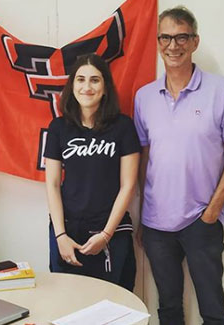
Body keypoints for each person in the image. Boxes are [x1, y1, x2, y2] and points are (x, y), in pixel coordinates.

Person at [134, 6, 224, 325]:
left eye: (182, 37)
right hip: (157, 225)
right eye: (166, 37)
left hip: (202, 220)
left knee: (212, 308)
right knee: (168, 307)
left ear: (195, 41)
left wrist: (212, 211)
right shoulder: (144, 98)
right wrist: (144, 215)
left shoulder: (222, 91)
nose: (174, 45)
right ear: (158, 43)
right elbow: (145, 161)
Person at [44, 54, 140, 290]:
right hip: (68, 233)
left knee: (113, 310)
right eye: (80, 80)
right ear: (72, 86)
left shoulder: (123, 127)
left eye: (95, 80)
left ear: (105, 87)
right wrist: (60, 237)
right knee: (68, 307)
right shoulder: (58, 128)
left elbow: (128, 185)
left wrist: (106, 235)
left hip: (111, 232)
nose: (87, 87)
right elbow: (52, 184)